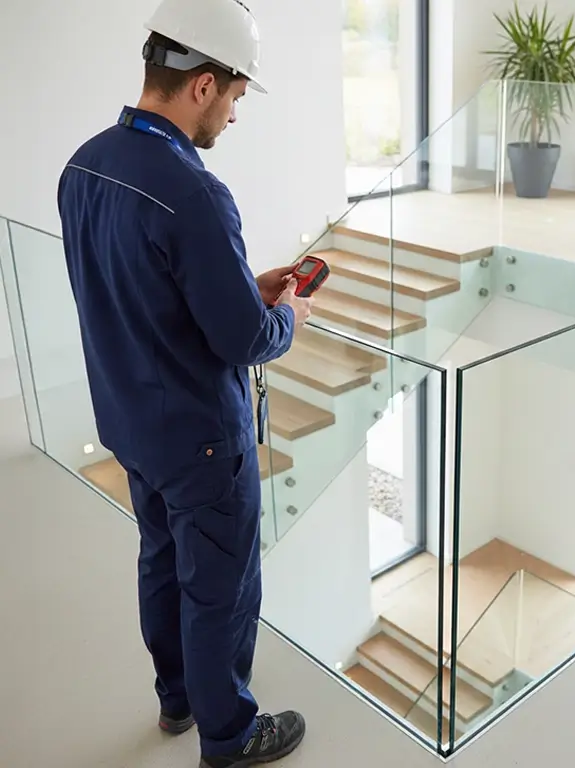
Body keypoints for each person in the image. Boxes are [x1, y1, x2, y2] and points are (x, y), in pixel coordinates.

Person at [57, 0, 311, 765]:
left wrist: (239, 281)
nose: (234, 113)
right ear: (201, 84)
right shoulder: (195, 192)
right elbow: (245, 338)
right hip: (202, 440)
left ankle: (176, 702)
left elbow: (137, 290)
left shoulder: (83, 166)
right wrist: (287, 312)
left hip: (131, 424)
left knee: (161, 561)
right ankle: (229, 735)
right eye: (234, 95)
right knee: (221, 590)